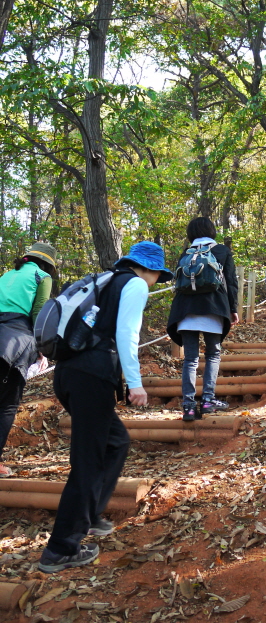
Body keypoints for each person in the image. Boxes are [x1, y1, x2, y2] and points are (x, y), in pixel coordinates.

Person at [39, 241, 172, 573]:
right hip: (90, 378)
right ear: (150, 269)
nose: (157, 281)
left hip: (70, 375)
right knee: (87, 463)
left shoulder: (106, 280)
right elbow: (128, 334)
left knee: (116, 442)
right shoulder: (136, 284)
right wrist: (136, 382)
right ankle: (61, 548)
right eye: (159, 275)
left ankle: (92, 513)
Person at [167, 217, 238, 422]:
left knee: (190, 359)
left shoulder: (186, 253)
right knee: (213, 354)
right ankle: (208, 400)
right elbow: (231, 283)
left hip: (185, 311)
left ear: (191, 234)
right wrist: (232, 309)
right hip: (213, 308)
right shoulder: (222, 251)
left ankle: (188, 406)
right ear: (212, 231)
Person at [0, 243, 57, 477]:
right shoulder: (41, 276)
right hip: (15, 338)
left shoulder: (7, 274)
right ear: (47, 264)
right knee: (7, 404)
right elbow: (40, 310)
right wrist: (42, 346)